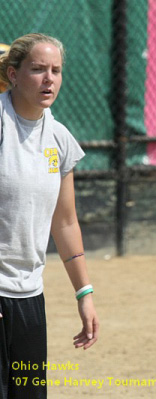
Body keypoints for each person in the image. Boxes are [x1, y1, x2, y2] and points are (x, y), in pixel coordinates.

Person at [0, 33, 99, 398]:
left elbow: (66, 222)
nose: (49, 79)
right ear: (13, 74)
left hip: (29, 297)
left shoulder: (58, 139)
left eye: (56, 70)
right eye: (38, 69)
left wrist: (84, 294)